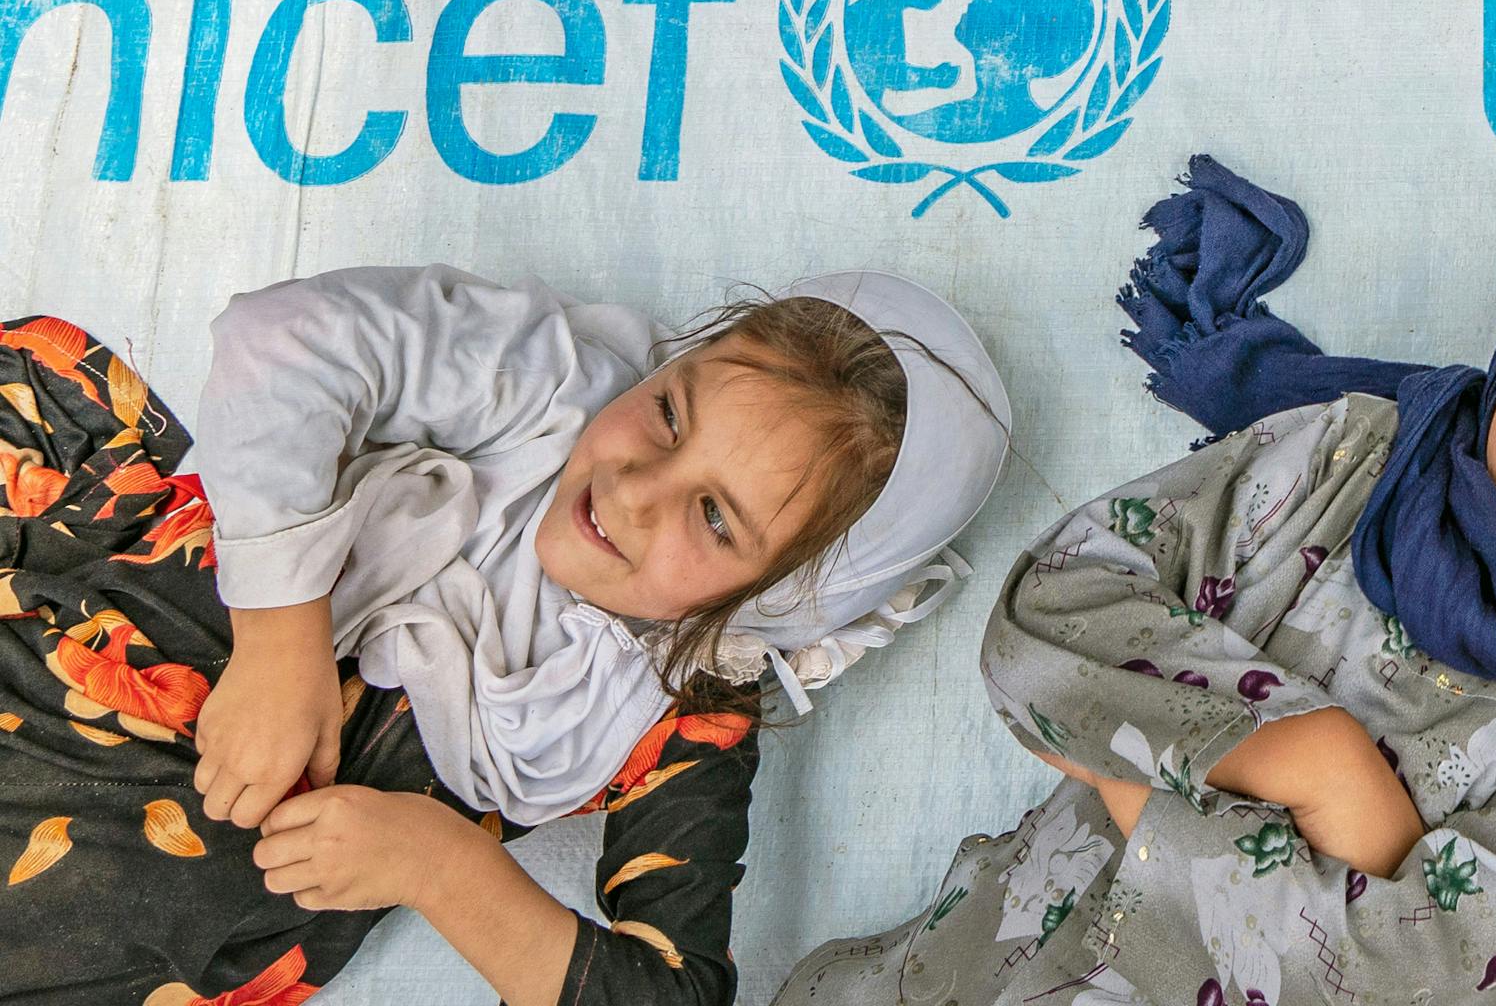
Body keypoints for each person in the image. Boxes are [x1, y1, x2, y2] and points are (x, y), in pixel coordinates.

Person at [782, 146, 1496, 1006]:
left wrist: (1134, 785)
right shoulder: (1347, 458)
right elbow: (1045, 615)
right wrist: (1306, 758)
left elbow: (1387, 982)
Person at [0, 267, 1009, 1005]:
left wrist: (441, 868)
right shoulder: (550, 388)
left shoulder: (681, 711)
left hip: (129, 901)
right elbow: (284, 338)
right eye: (666, 416)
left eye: (714, 519)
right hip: (94, 655)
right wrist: (280, 643)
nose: (631, 490)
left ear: (784, 597)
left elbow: (668, 995)